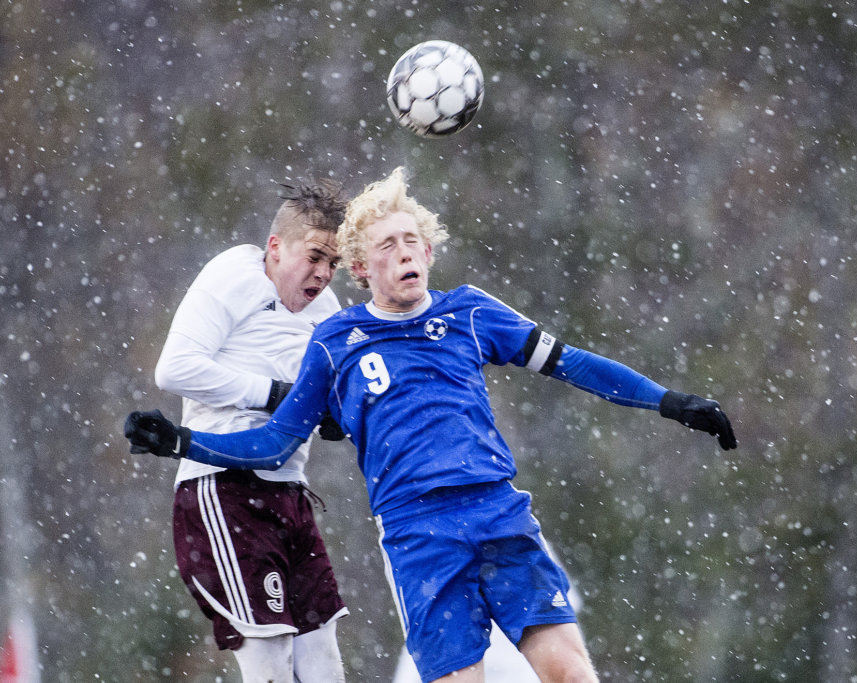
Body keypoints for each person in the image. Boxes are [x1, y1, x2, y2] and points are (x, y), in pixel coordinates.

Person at [125, 166, 737, 683]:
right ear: (361, 266)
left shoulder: (470, 312)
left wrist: (670, 401)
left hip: (499, 513)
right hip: (419, 537)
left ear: (429, 252)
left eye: (412, 240)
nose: (404, 252)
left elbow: (572, 363)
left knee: (570, 673)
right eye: (386, 245)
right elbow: (277, 440)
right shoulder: (335, 341)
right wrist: (184, 441)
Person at [149, 180, 350, 682]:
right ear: (275, 247)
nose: (323, 273)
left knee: (324, 664)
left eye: (333, 263)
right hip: (223, 490)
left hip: (291, 491)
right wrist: (274, 395)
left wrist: (337, 416)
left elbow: (336, 397)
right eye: (315, 257)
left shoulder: (328, 311)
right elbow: (174, 369)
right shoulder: (234, 273)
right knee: (271, 659)